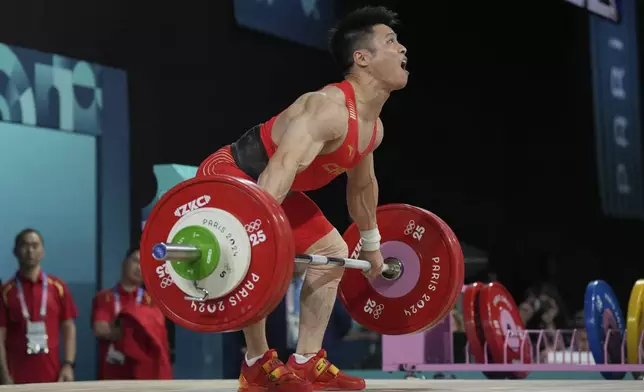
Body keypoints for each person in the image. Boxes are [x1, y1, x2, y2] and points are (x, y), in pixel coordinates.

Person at [197, 6, 408, 391]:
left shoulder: (372, 127)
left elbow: (362, 187)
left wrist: (373, 245)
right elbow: (281, 167)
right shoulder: (326, 107)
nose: (402, 49)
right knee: (259, 253)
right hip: (233, 174)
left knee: (331, 250)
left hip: (275, 184)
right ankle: (256, 363)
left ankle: (307, 360)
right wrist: (255, 231)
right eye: (391, 42)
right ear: (361, 58)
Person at [0, 229, 78, 384]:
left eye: (35, 245)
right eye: (25, 245)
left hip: (53, 378)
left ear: (42, 251)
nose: (30, 250)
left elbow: (68, 327)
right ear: (15, 252)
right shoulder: (6, 292)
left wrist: (68, 365)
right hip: (16, 379)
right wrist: (4, 374)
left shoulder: (58, 287)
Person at [91, 248, 170, 380]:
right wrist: (135, 332)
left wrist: (119, 330)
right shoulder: (104, 297)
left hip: (145, 376)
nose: (139, 268)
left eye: (144, 265)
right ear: (124, 263)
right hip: (112, 375)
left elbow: (158, 337)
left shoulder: (152, 300)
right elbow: (100, 329)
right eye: (135, 261)